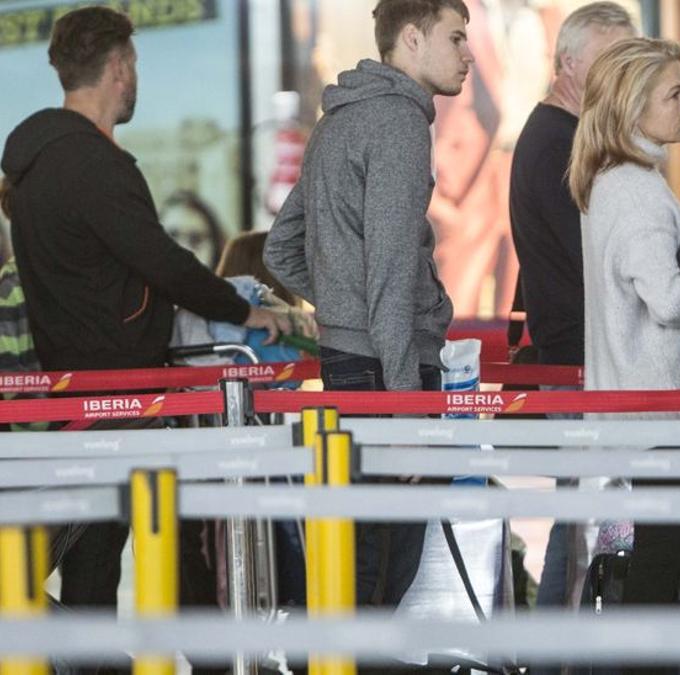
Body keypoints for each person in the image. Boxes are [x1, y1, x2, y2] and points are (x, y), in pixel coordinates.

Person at [0, 7, 292, 674]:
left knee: (93, 567)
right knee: (169, 545)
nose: (135, 80)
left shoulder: (34, 165)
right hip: (127, 401)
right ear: (117, 69)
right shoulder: (94, 165)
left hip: (70, 395)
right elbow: (161, 259)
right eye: (133, 66)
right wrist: (241, 311)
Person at [264, 0, 468, 616]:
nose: (469, 54)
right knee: (381, 580)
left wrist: (343, 308)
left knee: (356, 569)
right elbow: (389, 277)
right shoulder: (400, 125)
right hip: (391, 372)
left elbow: (279, 249)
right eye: (455, 38)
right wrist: (408, 418)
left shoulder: (339, 119)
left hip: (352, 361)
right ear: (411, 38)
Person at [569, 37, 680, 675]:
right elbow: (670, 299)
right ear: (630, 106)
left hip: (645, 411)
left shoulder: (618, 182)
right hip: (659, 412)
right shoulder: (635, 190)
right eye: (673, 94)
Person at [509, 0, 635, 613]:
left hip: (584, 354)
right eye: (613, 61)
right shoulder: (558, 143)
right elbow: (600, 261)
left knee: (586, 516)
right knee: (582, 522)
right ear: (569, 64)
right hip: (580, 360)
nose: (624, 77)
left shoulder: (569, 137)